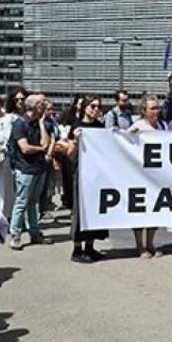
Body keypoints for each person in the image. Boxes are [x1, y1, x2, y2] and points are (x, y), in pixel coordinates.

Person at [67, 97, 109, 262]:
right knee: (81, 208)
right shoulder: (77, 126)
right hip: (82, 172)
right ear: (85, 108)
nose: (96, 109)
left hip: (96, 173)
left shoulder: (99, 126)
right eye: (92, 106)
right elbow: (70, 155)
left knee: (94, 209)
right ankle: (77, 249)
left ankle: (90, 247)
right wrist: (76, 140)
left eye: (98, 107)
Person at [7, 94, 51, 250]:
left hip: (39, 168)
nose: (45, 105)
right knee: (21, 202)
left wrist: (41, 124)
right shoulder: (20, 123)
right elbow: (24, 148)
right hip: (25, 168)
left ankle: (35, 232)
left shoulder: (39, 123)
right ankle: (15, 235)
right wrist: (40, 149)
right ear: (32, 106)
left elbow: (46, 143)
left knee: (33, 202)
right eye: (41, 103)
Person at [128, 96, 167, 257]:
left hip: (157, 176)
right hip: (140, 175)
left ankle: (150, 244)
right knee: (140, 211)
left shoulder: (162, 126)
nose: (156, 111)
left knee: (155, 210)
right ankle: (139, 246)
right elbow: (124, 143)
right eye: (152, 108)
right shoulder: (137, 126)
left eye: (157, 108)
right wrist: (131, 135)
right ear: (144, 111)